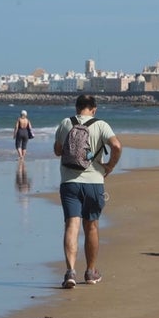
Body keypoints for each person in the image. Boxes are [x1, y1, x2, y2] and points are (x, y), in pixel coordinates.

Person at [54, 94, 122, 288]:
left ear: (76, 108)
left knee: (71, 226)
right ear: (94, 109)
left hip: (69, 182)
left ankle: (70, 272)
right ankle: (91, 272)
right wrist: (109, 166)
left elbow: (58, 151)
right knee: (91, 226)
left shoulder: (66, 123)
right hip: (94, 182)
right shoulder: (101, 125)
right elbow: (116, 146)